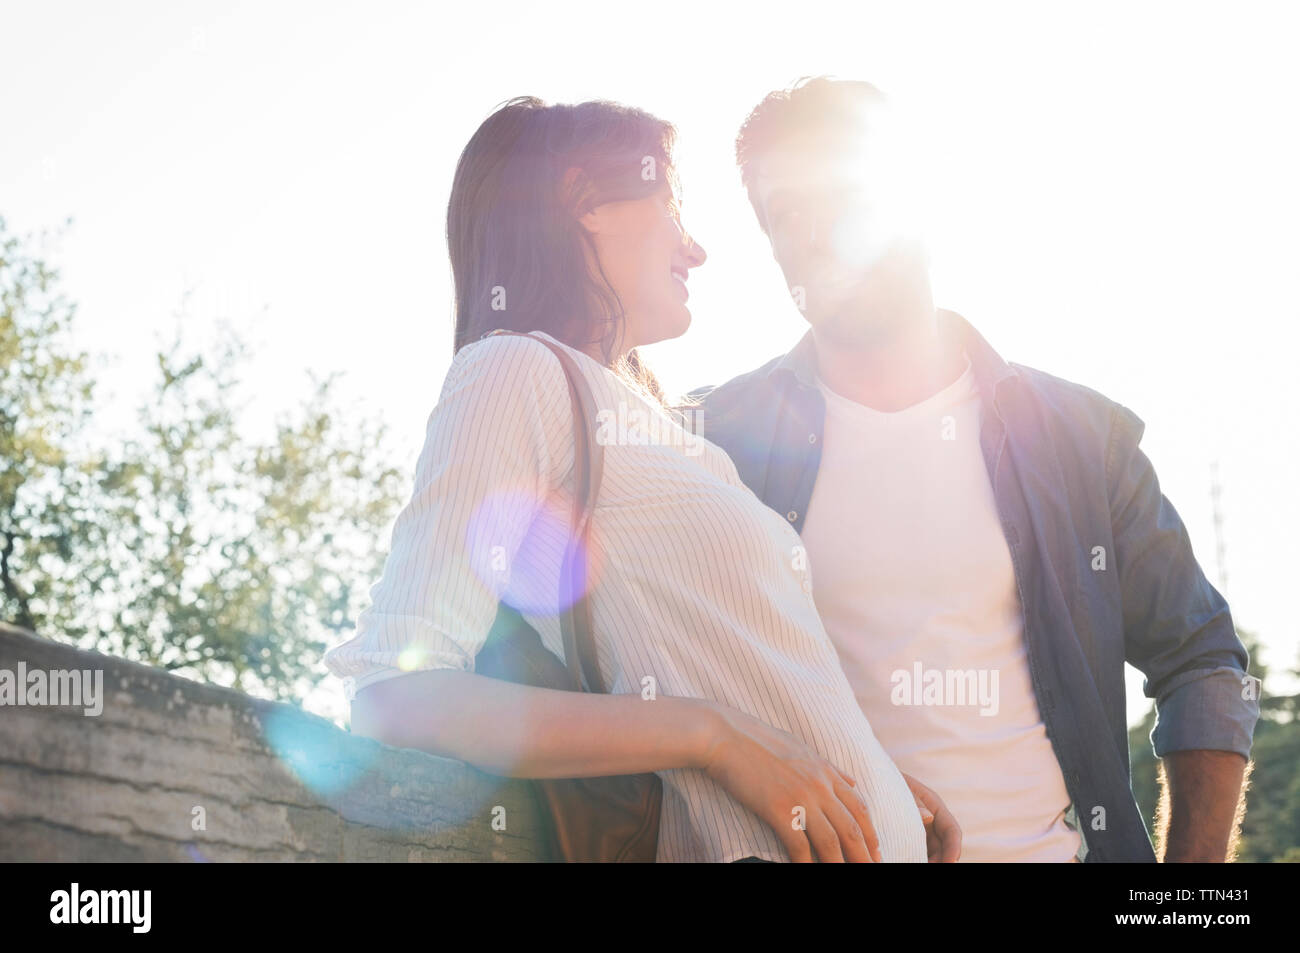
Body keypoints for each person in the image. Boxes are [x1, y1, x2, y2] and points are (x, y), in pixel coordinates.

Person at [323, 96, 950, 863]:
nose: (696, 249)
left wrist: (869, 779)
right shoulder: (515, 370)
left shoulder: (658, 426)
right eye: (672, 207)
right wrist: (709, 733)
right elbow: (393, 695)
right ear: (586, 202)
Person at [688, 77, 1259, 862]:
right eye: (786, 213)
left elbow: (1202, 656)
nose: (819, 232)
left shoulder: (1076, 437)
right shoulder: (714, 444)